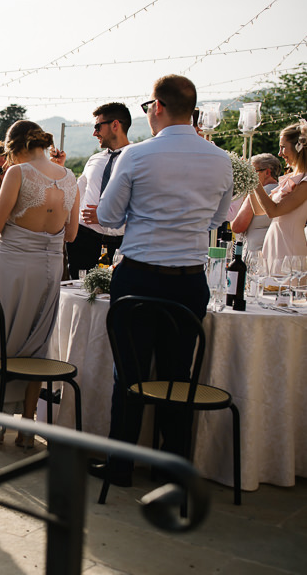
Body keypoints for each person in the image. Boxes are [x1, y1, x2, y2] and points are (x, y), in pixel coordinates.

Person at [91, 74, 233, 487]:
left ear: (157, 106)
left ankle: (120, 468)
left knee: (129, 376)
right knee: (177, 378)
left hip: (138, 278)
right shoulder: (221, 159)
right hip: (189, 281)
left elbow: (107, 218)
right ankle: (171, 470)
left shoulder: (136, 156)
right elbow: (215, 220)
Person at [0, 120, 79, 448]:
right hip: (50, 269)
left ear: (14, 147)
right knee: (35, 343)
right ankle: (28, 426)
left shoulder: (18, 173)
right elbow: (71, 234)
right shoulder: (70, 178)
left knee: (2, 340)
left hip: (12, 266)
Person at [65, 103, 132, 277]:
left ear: (115, 125)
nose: (94, 133)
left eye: (97, 126)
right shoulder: (94, 159)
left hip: (123, 244)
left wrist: (105, 215)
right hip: (84, 241)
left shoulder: (139, 159)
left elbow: (146, 204)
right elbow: (75, 193)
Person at [249, 120, 307, 267]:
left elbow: (273, 211)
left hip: (290, 247)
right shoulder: (289, 177)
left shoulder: (305, 182)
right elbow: (259, 210)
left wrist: (255, 180)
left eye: (282, 147)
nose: (279, 153)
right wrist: (249, 182)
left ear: (298, 148)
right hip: (274, 244)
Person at [230, 153, 282, 255]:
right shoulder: (283, 191)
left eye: (252, 172)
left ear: (267, 172)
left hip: (255, 254)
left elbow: (237, 226)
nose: (249, 176)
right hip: (276, 251)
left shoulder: (257, 195)